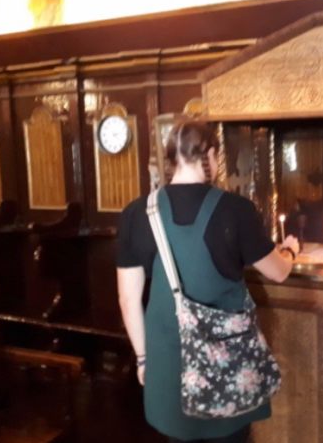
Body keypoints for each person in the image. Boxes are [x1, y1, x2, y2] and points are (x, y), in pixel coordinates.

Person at [116, 120, 299, 443]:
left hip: (169, 360)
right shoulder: (236, 210)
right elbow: (277, 272)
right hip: (227, 365)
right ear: (211, 156)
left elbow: (128, 300)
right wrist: (290, 252)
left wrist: (143, 358)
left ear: (172, 159)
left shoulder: (135, 214)